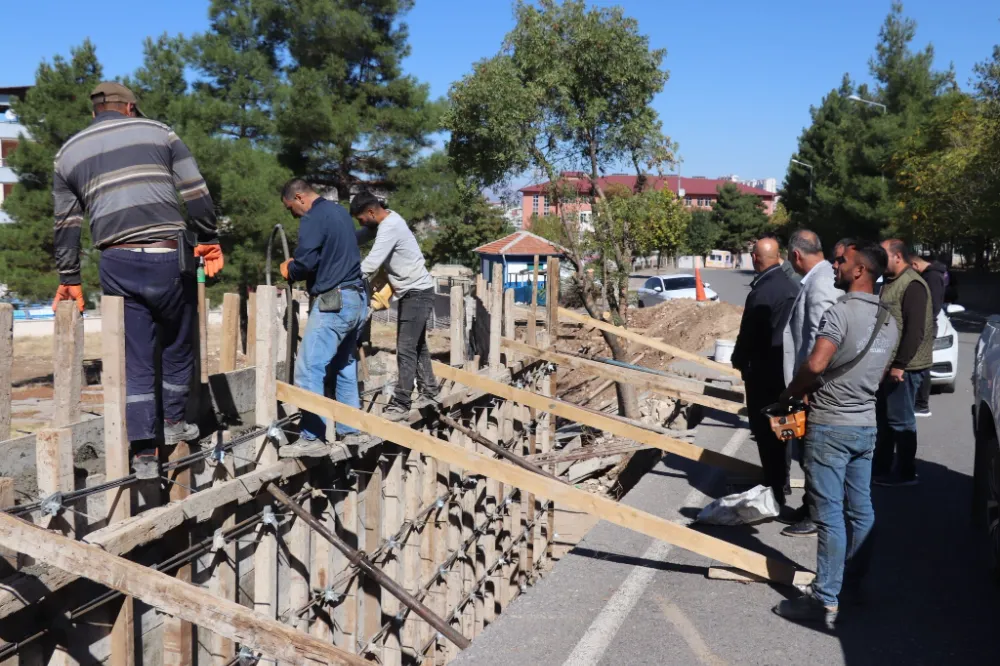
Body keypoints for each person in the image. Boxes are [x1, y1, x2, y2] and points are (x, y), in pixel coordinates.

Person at [51, 82, 222, 479]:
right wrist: (209, 237)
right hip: (168, 255)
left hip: (116, 260)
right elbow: (195, 190)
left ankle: (144, 452)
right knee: (179, 344)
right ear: (130, 107)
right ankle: (174, 423)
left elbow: (67, 223)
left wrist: (69, 276)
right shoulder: (159, 132)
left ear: (95, 111)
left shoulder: (68, 154)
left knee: (136, 356)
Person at [773, 241, 898, 628]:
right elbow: (877, 375)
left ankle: (825, 599)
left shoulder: (840, 312)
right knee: (861, 510)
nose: (835, 265)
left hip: (830, 426)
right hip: (865, 425)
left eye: (842, 261)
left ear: (860, 270)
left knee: (829, 516)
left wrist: (792, 391)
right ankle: (853, 584)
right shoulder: (889, 319)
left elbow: (817, 361)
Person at [278, 179, 370, 456]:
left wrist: (290, 269)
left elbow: (306, 263)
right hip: (356, 298)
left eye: (290, 207)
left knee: (309, 367)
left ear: (299, 197)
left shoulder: (313, 218)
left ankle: (312, 438)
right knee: (343, 365)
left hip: (334, 301)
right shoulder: (340, 212)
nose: (292, 214)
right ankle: (350, 430)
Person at [351, 191, 439, 421]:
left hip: (417, 293)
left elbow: (371, 263)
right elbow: (359, 236)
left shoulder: (389, 228)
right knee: (417, 344)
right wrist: (340, 239)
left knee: (406, 348)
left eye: (361, 219)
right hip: (416, 292)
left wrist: (342, 277)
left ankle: (401, 403)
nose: (361, 224)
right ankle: (429, 390)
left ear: (371, 212)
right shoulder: (387, 220)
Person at [779, 229, 844, 538]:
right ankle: (812, 506)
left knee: (811, 454)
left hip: (813, 387)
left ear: (795, 255)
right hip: (810, 384)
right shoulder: (822, 278)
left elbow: (822, 342)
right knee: (805, 451)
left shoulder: (820, 284)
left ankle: (817, 513)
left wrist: (805, 387)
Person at [732, 237, 799, 508]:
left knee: (764, 432)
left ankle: (774, 489)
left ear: (756, 258)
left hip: (763, 373)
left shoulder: (761, 292)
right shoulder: (791, 286)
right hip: (787, 373)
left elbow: (749, 334)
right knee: (784, 431)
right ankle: (782, 480)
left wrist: (739, 360)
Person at [873, 239, 934, 486]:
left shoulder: (913, 285)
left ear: (898, 256)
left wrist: (899, 364)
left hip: (906, 367)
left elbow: (915, 330)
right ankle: (882, 469)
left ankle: (905, 473)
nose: (878, 261)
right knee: (885, 421)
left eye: (882, 256)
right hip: (889, 365)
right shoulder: (891, 282)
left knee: (901, 422)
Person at [910, 253, 947, 417]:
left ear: (915, 264)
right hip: (925, 324)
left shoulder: (932, 277)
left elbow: (934, 305)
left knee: (923, 365)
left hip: (927, 325)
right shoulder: (931, 275)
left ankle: (922, 404)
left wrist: (923, 321)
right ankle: (918, 402)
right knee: (920, 364)